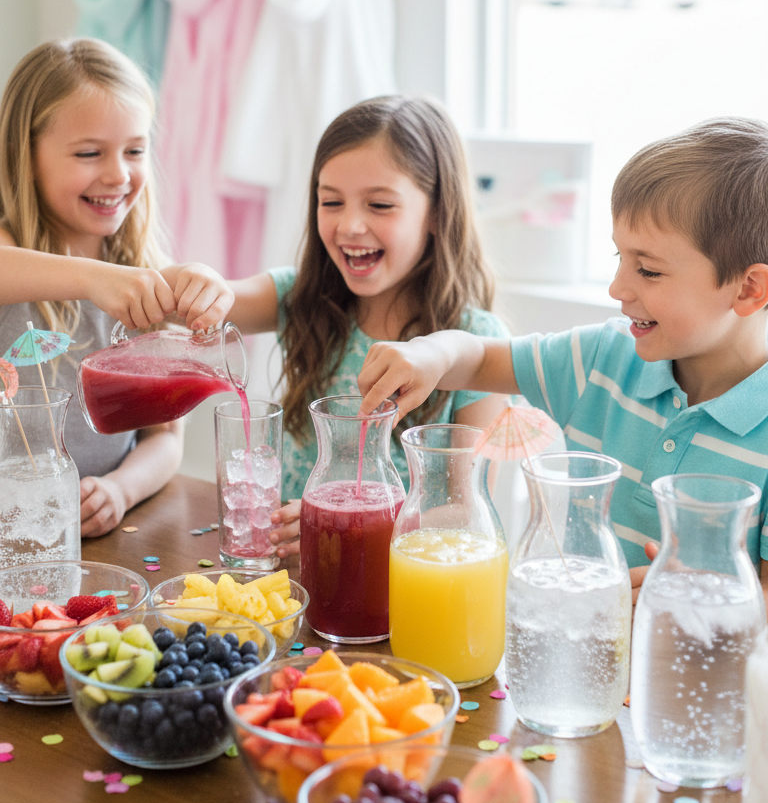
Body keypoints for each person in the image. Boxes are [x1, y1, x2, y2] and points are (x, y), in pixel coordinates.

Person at [358, 118, 768, 609]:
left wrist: (702, 604)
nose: (617, 289)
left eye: (649, 270)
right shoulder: (602, 359)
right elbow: (478, 360)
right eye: (619, 257)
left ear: (748, 289)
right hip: (570, 647)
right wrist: (432, 352)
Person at [221, 95, 510, 566]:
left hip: (402, 589)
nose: (351, 225)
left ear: (438, 211)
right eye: (330, 201)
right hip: (304, 579)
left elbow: (466, 510)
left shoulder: (475, 346)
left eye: (379, 204)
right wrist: (196, 286)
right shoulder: (300, 300)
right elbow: (212, 301)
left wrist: (343, 520)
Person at [0, 39, 229, 536]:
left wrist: (121, 490)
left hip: (88, 542)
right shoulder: (12, 251)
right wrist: (89, 277)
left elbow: (165, 439)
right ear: (24, 153)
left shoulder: (142, 278)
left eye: (135, 150)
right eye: (88, 152)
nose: (118, 174)